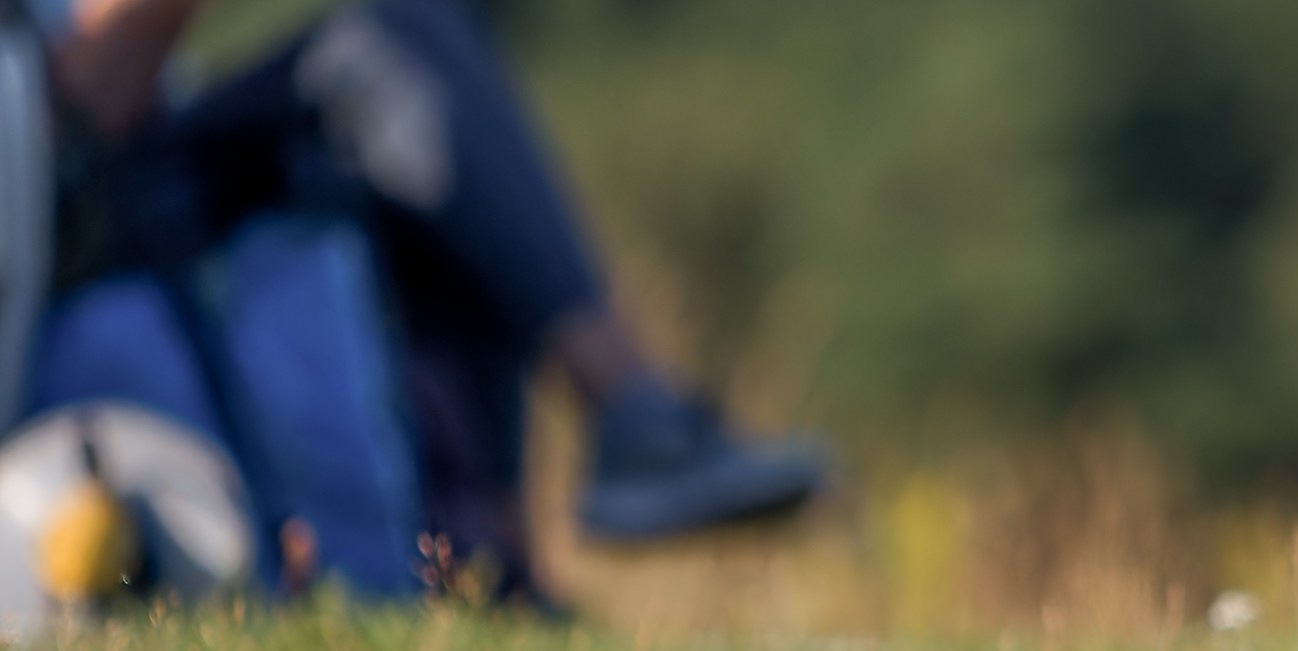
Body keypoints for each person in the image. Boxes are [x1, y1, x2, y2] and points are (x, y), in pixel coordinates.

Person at [28, 0, 825, 599]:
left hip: (133, 174)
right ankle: (627, 412)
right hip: (53, 221)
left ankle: (490, 560)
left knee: (403, 94)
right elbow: (74, 109)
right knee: (381, 54)